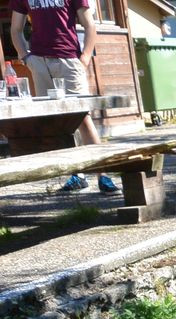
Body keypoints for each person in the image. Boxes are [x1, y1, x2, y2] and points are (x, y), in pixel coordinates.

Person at [9, 0, 120, 193]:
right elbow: (16, 29)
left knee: (82, 117)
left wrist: (84, 58)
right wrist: (25, 57)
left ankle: (103, 176)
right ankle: (76, 175)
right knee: (56, 121)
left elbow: (89, 25)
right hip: (39, 62)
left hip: (69, 60)